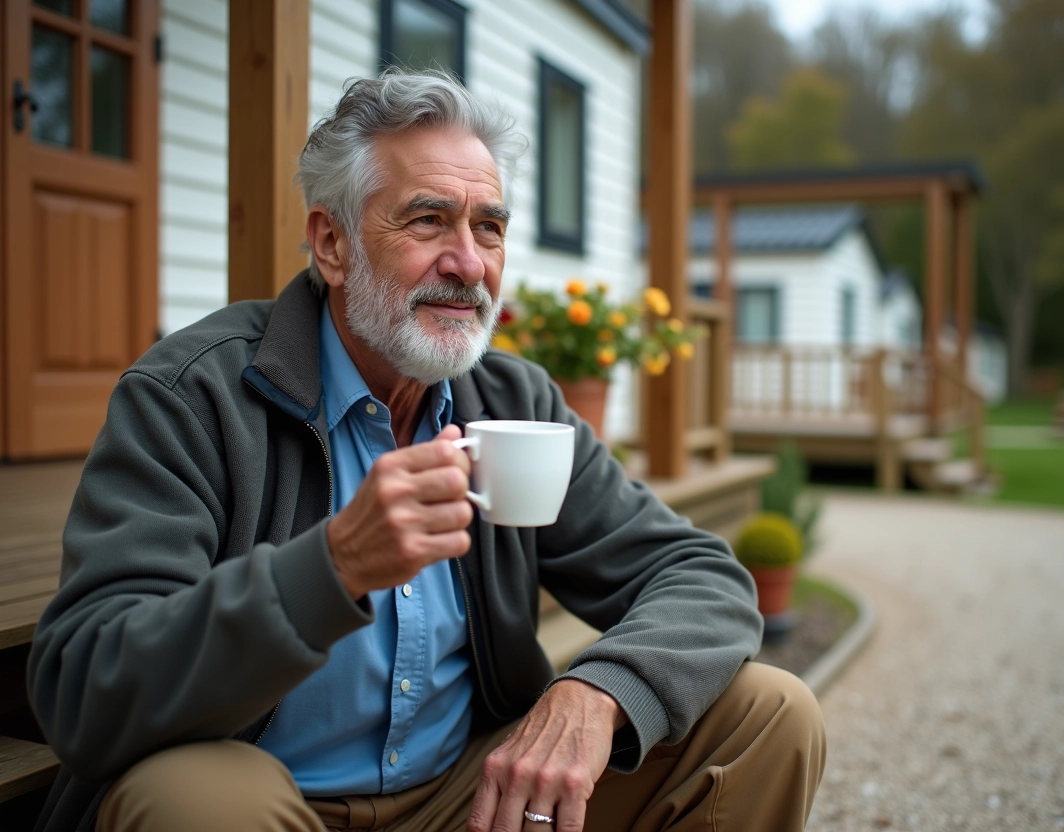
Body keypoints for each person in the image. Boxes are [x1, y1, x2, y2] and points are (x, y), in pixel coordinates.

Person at [27, 69, 825, 832]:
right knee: (192, 799)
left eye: (489, 228)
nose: (469, 264)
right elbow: (84, 685)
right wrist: (332, 569)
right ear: (331, 244)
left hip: (463, 802)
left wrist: (599, 692)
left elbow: (704, 578)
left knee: (770, 713)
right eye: (427, 219)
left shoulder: (515, 406)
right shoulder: (193, 398)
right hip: (268, 796)